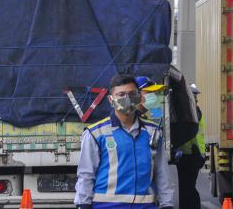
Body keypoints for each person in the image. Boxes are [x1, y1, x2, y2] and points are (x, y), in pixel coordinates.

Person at [74, 74, 174, 209]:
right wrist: (83, 205)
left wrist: (167, 204)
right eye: (121, 94)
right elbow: (86, 175)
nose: (127, 98)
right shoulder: (96, 134)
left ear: (139, 97)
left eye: (132, 94)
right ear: (111, 100)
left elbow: (162, 173)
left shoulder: (153, 132)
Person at [175, 84, 205, 209]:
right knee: (186, 187)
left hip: (193, 154)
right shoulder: (191, 109)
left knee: (188, 187)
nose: (195, 98)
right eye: (193, 96)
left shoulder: (193, 110)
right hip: (189, 154)